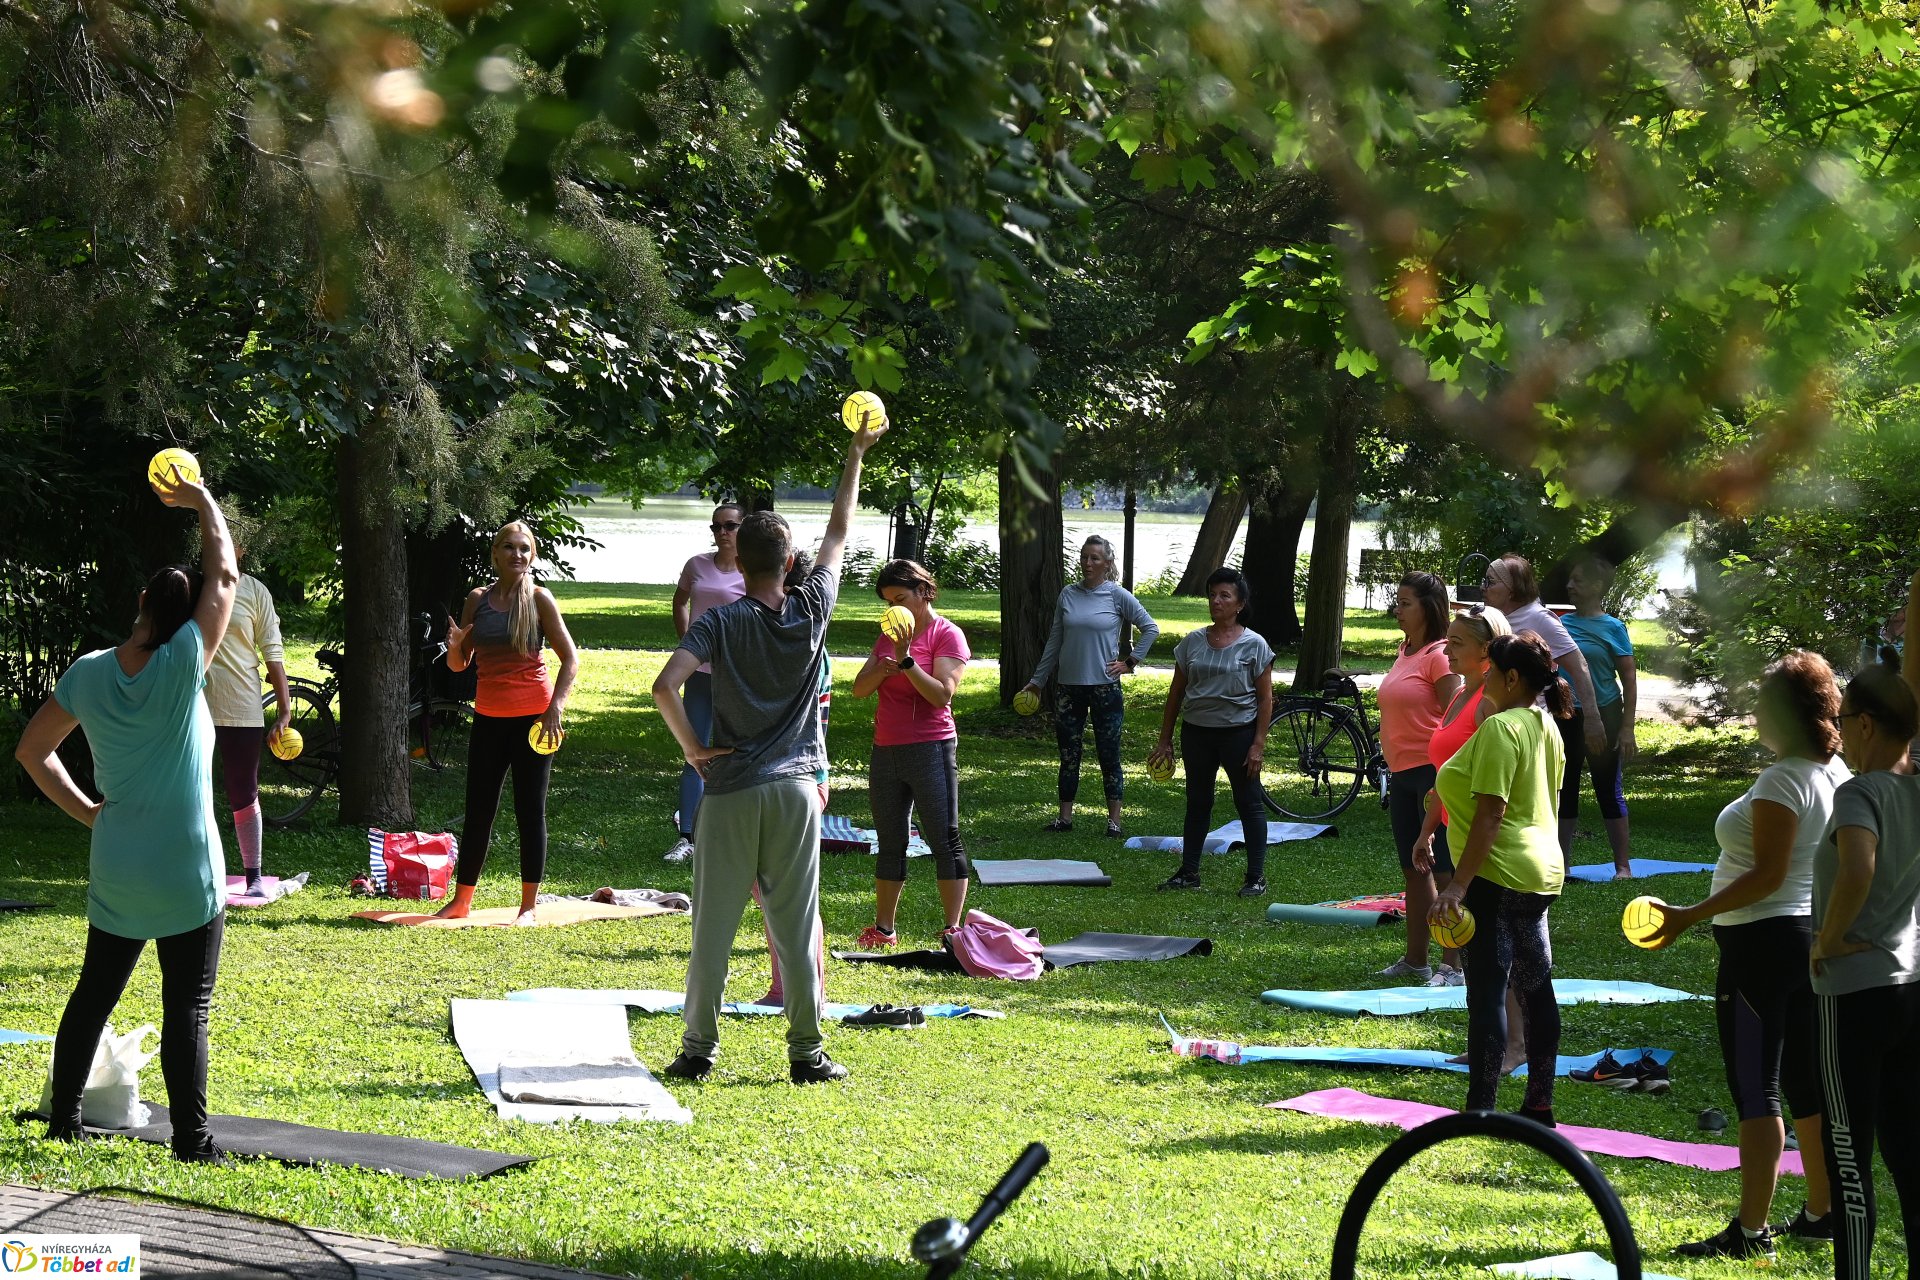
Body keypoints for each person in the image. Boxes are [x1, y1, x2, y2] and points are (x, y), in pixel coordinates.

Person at [650, 414, 887, 1084]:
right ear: (788, 562)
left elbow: (665, 686)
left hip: (727, 793)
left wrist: (696, 751)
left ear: (739, 560)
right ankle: (807, 1056)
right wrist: (854, 452)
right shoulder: (812, 609)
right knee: (795, 924)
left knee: (713, 933)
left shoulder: (719, 620)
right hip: (794, 790)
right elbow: (840, 529)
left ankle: (697, 1052)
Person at [16, 463, 238, 1162]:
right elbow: (225, 577)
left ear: (142, 600)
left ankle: (65, 1123)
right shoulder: (183, 662)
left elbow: (32, 751)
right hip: (185, 868)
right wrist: (202, 500)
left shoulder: (88, 672)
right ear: (189, 621)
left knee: (93, 998)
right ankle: (193, 1143)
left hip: (118, 861)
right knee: (187, 1011)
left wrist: (88, 813)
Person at [1644, 652, 1843, 1258]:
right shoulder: (1833, 772)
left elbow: (1766, 876)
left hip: (1760, 944)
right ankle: (1821, 1212)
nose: (1755, 711)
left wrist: (1686, 918)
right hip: (1804, 941)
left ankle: (1750, 1230)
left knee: (1758, 1091)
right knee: (1806, 1086)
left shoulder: (1784, 780)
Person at [1810, 660, 1920, 1280]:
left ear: (1870, 725)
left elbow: (1858, 868)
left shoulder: (1861, 792)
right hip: (1910, 989)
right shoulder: (1917, 789)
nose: (1840, 731)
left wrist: (1827, 940)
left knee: (1847, 1156)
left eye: (1845, 719)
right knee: (1909, 1152)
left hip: (1854, 995)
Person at [1431, 632, 1568, 1125]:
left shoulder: (1501, 729)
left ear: (1513, 678)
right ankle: (1539, 1106)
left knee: (1487, 990)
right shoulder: (1545, 724)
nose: (1485, 680)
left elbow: (1492, 813)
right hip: (1540, 873)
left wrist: (1456, 885)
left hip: (1498, 874)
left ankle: (1480, 1111)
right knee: (1536, 988)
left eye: (1493, 673)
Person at [436, 521, 580, 925]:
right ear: (495, 554)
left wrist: (555, 708)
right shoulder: (477, 600)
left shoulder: (539, 599)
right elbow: (459, 664)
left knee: (529, 811)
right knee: (478, 810)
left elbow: (570, 659)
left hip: (534, 719)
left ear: (531, 555)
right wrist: (453, 649)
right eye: (509, 548)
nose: (517, 555)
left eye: (524, 549)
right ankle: (461, 901)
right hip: (488, 718)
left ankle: (528, 907)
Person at [849, 559, 972, 947]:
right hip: (887, 748)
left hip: (931, 747)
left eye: (900, 598)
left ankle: (953, 929)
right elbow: (859, 689)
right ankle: (883, 929)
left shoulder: (946, 635)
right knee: (890, 838)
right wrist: (882, 670)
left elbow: (941, 694)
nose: (894, 609)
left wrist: (906, 660)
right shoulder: (889, 635)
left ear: (923, 591)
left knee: (942, 836)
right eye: (888, 602)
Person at [1020, 535, 1160, 837]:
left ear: (1107, 563)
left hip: (1104, 688)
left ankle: (1114, 821)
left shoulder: (1117, 595)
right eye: (1084, 557)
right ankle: (1065, 818)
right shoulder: (1067, 594)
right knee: (1068, 754)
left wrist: (1130, 662)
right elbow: (1055, 641)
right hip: (1069, 688)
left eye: (1095, 558)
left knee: (1109, 754)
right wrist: (1037, 681)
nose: (1087, 563)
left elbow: (1150, 628)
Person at [1148, 568, 1274, 896]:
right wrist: (1165, 739)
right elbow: (1176, 693)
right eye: (1213, 595)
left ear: (1239, 604)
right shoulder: (1192, 643)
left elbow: (1265, 699)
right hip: (1197, 735)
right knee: (1198, 802)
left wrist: (1257, 744)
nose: (1216, 601)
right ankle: (1189, 872)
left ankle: (1256, 877)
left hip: (1238, 735)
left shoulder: (1255, 645)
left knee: (1248, 802)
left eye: (1224, 596)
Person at [1412, 603, 1513, 990]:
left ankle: (1504, 1033)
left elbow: (1498, 786)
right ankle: (1457, 973)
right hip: (1456, 828)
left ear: (1486, 651)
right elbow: (1448, 774)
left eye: (1456, 643)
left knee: (1490, 934)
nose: (1445, 651)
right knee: (1470, 922)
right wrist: (1427, 831)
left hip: (1483, 833)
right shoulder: (1459, 695)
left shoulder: (1489, 704)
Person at [1479, 554, 1606, 861]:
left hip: (1526, 726)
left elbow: (1579, 666)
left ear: (1513, 589)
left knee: (1526, 800)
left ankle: (1546, 863)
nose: (1484, 586)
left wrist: (1592, 719)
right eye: (1484, 579)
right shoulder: (1489, 616)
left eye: (1491, 581)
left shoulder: (1539, 619)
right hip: (1492, 721)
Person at [1375, 571, 1463, 982]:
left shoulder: (1441, 655)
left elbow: (1457, 721)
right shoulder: (1406, 649)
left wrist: (1444, 781)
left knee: (1444, 869)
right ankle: (1415, 960)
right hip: (1402, 773)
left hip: (1433, 775)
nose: (1397, 610)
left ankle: (1454, 964)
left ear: (1428, 607)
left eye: (1405, 603)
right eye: (1398, 601)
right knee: (1415, 869)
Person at [754, 550, 831, 1009]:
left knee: (792, 891)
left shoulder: (800, 643)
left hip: (798, 777)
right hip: (792, 776)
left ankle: (804, 989)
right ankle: (784, 984)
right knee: (769, 888)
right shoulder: (799, 638)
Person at [203, 530, 293, 896]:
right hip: (196, 708)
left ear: (240, 549)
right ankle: (194, 869)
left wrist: (285, 709)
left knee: (244, 790)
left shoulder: (255, 591)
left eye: (230, 539)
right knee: (193, 790)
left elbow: (273, 650)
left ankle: (253, 876)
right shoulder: (194, 587)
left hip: (242, 706)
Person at [662, 503, 746, 864]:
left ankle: (732, 833)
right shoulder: (697, 564)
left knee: (736, 753)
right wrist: (688, 643)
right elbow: (680, 601)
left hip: (738, 676)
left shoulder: (753, 571)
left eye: (729, 525)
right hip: (698, 673)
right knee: (693, 750)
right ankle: (687, 837)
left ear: (743, 528)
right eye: (716, 527)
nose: (722, 532)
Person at [1562, 555, 1637, 877]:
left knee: (1608, 788)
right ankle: (1561, 866)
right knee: (1564, 788)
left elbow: (1629, 680)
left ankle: (1623, 866)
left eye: (1577, 580)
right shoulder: (1561, 625)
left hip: (1605, 714)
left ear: (1596, 586)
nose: (1569, 586)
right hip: (1565, 714)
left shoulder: (1613, 627)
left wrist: (1627, 728)